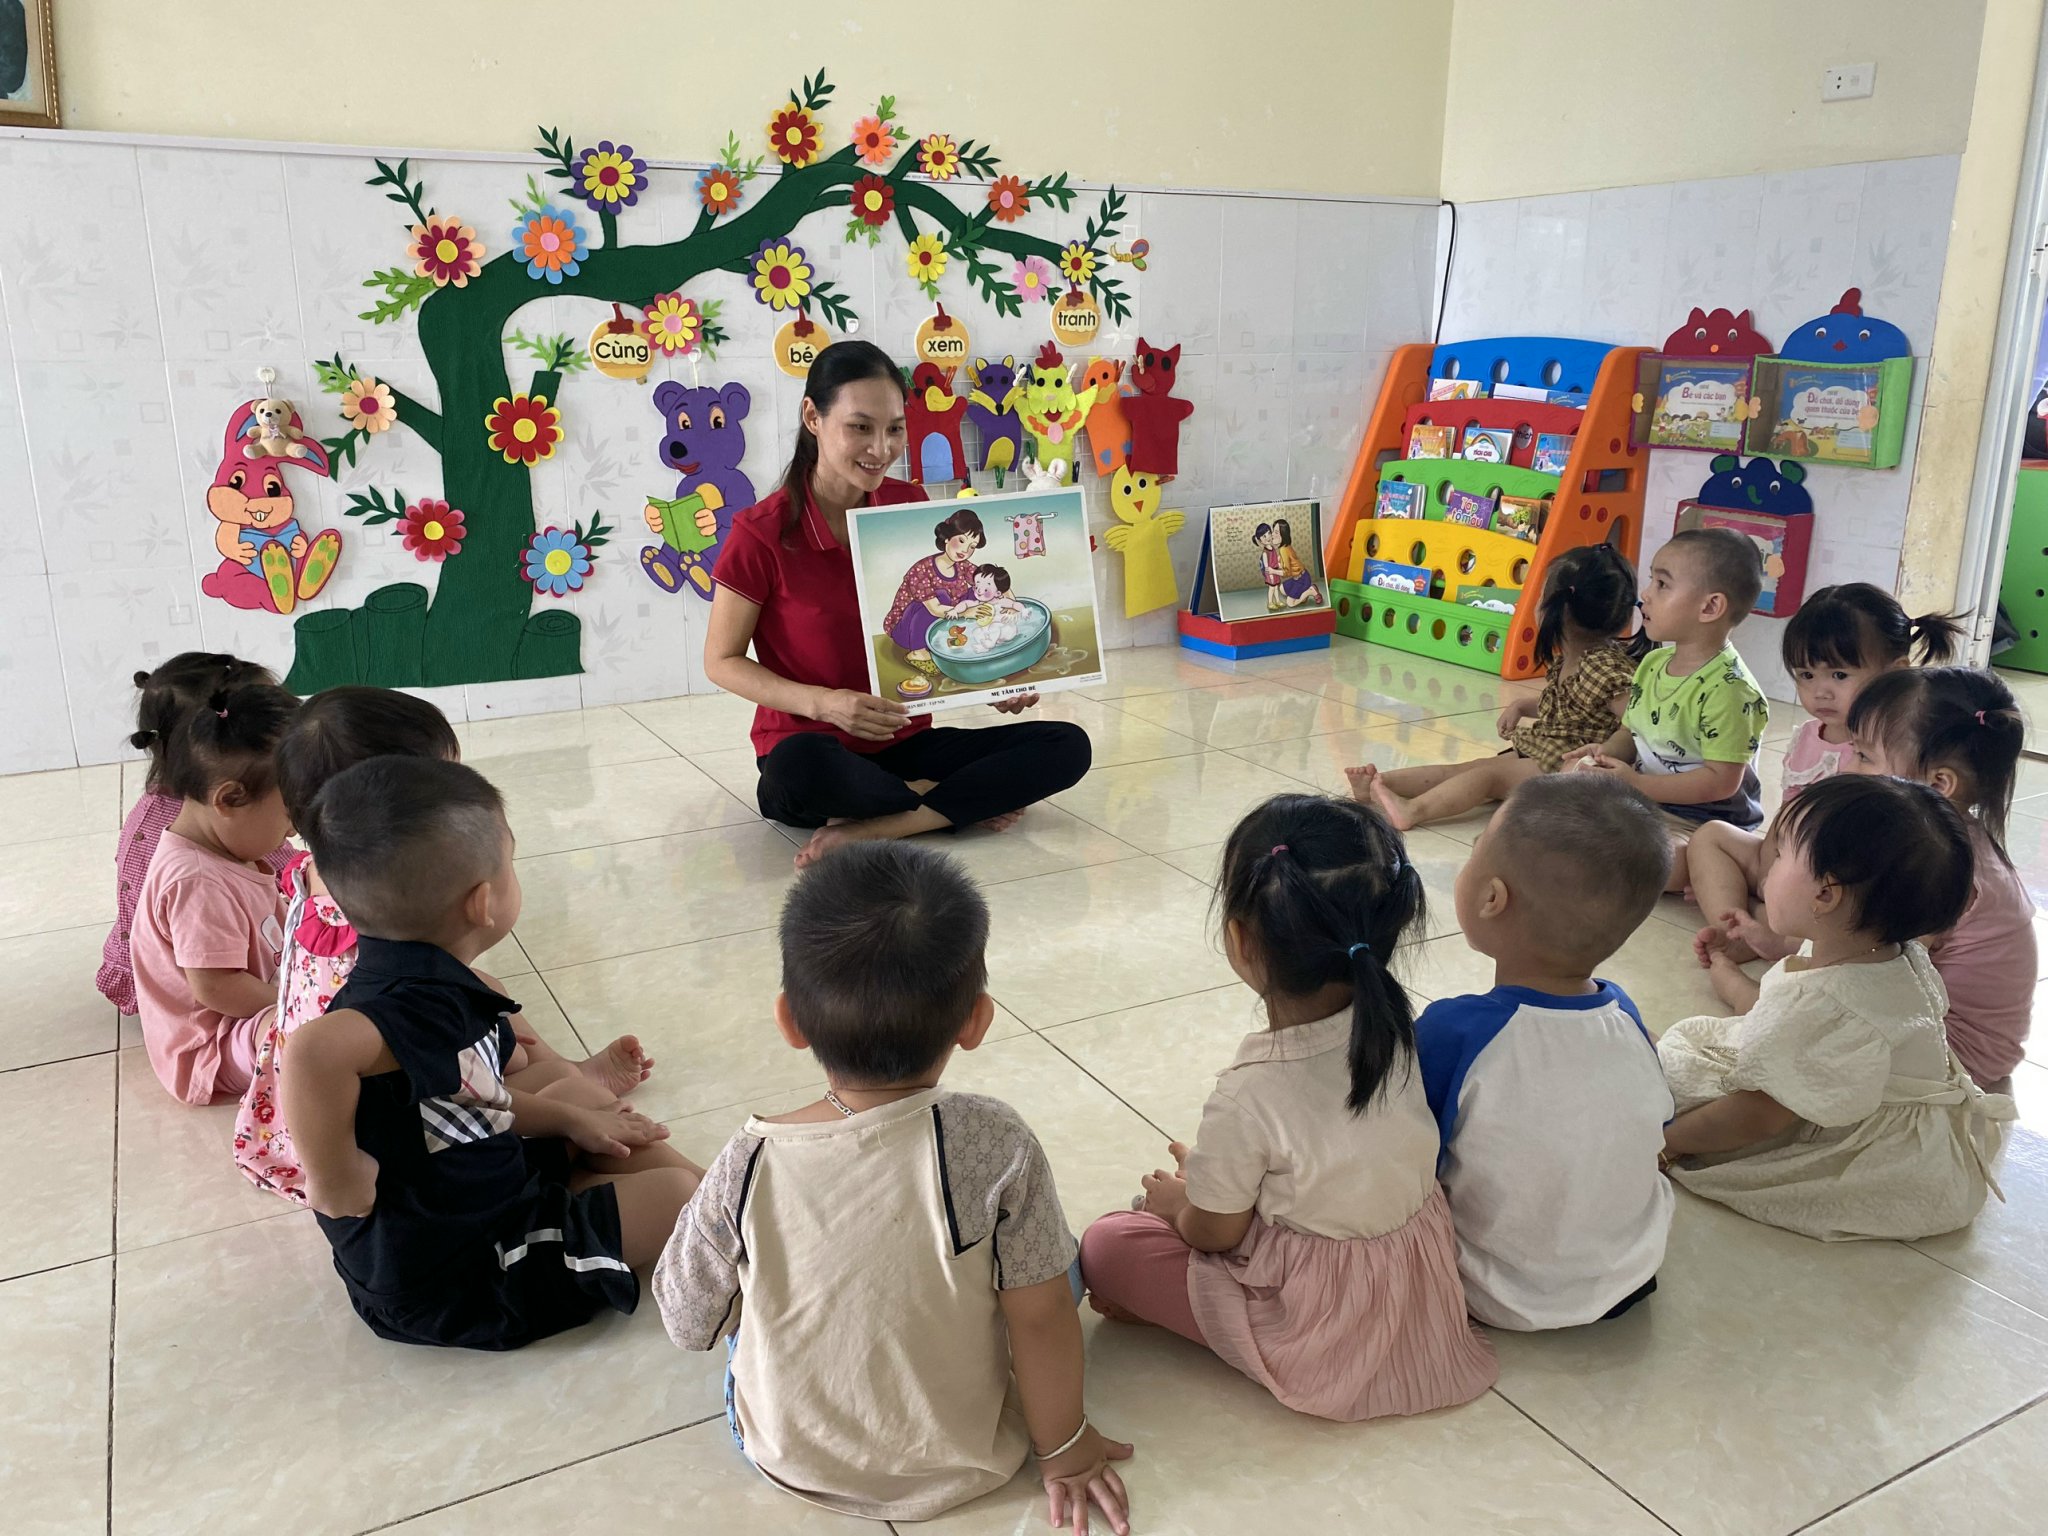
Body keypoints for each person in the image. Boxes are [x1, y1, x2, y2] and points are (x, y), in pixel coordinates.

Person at [654, 841, 1132, 1532]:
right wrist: (1063, 1449)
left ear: (789, 1020)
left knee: (750, 1300)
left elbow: (686, 1322)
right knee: (1058, 1272)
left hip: (787, 1456)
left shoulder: (746, 1160)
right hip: (968, 1455)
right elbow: (1041, 1316)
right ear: (976, 1021)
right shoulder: (998, 1143)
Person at [1081, 794, 1497, 1420]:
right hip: (1413, 1287)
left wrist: (1180, 1206)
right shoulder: (1394, 1026)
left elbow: (1215, 1233)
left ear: (1240, 939)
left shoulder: (1249, 1091)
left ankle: (1206, 1319)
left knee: (1108, 1241)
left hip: (1320, 1324)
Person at [284, 756, 700, 1349]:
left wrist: (571, 1119)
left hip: (472, 1188)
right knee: (673, 1195)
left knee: (575, 1095)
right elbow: (310, 1051)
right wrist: (333, 1178)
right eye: (512, 864)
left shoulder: (430, 983)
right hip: (461, 1275)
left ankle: (729, 1200)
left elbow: (474, 1098)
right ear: (483, 903)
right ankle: (729, 1209)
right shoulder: (403, 1013)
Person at [237, 687, 653, 1203]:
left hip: (298, 1113)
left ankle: (565, 1071)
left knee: (485, 991)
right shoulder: (377, 930)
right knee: (494, 1018)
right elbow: (421, 1045)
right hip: (370, 1124)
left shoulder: (316, 873)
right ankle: (570, 1074)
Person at [702, 340, 1091, 870]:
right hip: (813, 744)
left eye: (894, 429)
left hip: (904, 742)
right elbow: (721, 660)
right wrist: (825, 704)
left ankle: (886, 823)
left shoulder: (907, 505)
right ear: (813, 418)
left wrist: (997, 682)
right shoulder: (760, 533)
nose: (881, 448)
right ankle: (945, 801)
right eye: (860, 427)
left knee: (1068, 746)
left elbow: (952, 624)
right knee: (796, 772)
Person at [1659, 775, 2013, 1241]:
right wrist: (1736, 976)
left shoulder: (1830, 1003)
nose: (1767, 869)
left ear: (1825, 895)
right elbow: (1790, 1021)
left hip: (1865, 1145)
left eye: (1780, 855)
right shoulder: (1889, 951)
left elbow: (1759, 1115)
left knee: (1674, 1091)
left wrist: (1664, 1144)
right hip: (1895, 1112)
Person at [1414, 774, 1676, 1328]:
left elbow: (1408, 1152)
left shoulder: (1454, 1030)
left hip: (1492, 1291)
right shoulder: (1626, 1015)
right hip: (1630, 1276)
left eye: (1474, 852)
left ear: (1491, 899)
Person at [1689, 584, 1965, 984]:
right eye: (1806, 675)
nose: (1820, 691)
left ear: (1894, 673)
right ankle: (1735, 926)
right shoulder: (1806, 735)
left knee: (1846, 918)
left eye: (1839, 674)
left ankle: (1770, 933)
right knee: (1711, 837)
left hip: (1821, 887)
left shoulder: (1884, 755)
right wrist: (1768, 862)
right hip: (1778, 862)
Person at [1351, 541, 1644, 830]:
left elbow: (1637, 721)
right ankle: (1380, 783)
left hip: (1563, 770)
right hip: (1545, 751)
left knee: (1486, 777)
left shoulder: (1603, 666)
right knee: (1469, 768)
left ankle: (1412, 811)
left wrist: (1603, 755)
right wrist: (1521, 706)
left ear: (1558, 608)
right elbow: (1570, 707)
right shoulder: (1573, 658)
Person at [1567, 528, 1770, 891]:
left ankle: (1721, 866)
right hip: (1645, 799)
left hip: (1704, 822)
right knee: (1568, 775)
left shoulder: (1731, 690)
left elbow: (1721, 782)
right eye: (1651, 580)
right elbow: (1631, 731)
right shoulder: (1653, 663)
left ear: (1710, 607)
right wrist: (1603, 756)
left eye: (1662, 584)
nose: (1645, 594)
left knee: (1668, 862)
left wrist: (1639, 785)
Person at [129, 682, 299, 1104]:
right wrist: (299, 1002)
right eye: (288, 813)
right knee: (304, 1037)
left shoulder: (227, 849)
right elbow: (218, 988)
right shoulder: (196, 881)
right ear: (229, 799)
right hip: (212, 1046)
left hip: (250, 1007)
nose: (294, 830)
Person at [98, 652, 292, 1015]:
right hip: (203, 1013)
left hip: (175, 974)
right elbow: (297, 878)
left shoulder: (188, 815)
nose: (294, 828)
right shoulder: (208, 861)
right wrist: (299, 1006)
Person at [881, 506, 986, 662]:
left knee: (981, 588)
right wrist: (966, 613)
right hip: (907, 630)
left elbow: (992, 581)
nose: (965, 550)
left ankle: (965, 635)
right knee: (941, 596)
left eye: (972, 546)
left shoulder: (962, 565)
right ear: (947, 537)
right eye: (961, 540)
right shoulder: (921, 569)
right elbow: (934, 608)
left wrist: (1011, 605)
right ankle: (917, 653)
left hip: (945, 622)